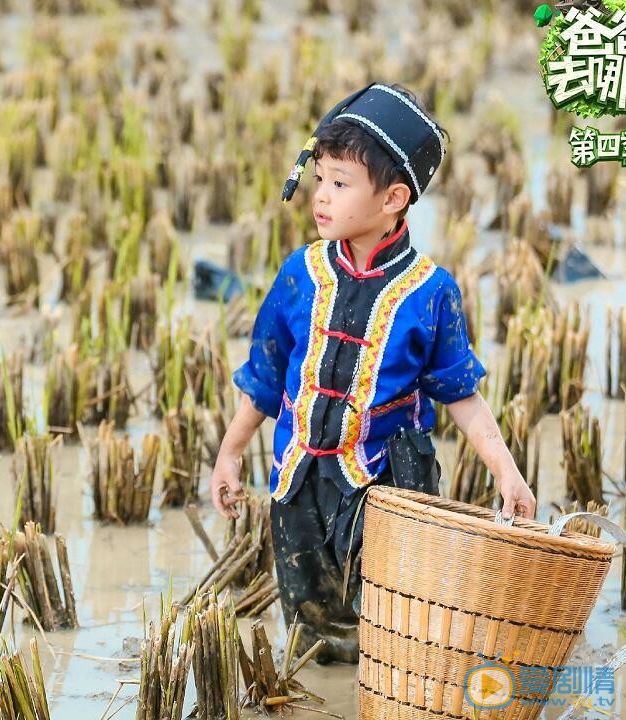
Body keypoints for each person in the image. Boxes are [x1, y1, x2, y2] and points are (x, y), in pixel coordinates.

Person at [208, 82, 537, 664]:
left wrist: (507, 474)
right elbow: (264, 375)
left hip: (381, 489)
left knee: (391, 627)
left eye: (341, 183)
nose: (322, 198)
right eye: (319, 180)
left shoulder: (430, 293)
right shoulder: (300, 274)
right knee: (313, 628)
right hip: (298, 481)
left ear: (393, 199)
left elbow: (462, 395)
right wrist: (231, 453)